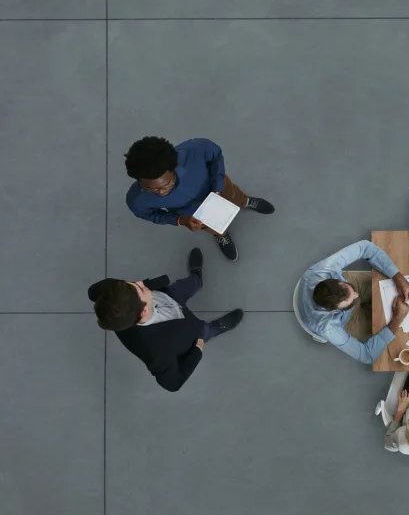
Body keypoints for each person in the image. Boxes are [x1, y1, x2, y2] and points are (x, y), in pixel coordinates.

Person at [87, 248, 243, 392]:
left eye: (133, 285)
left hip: (168, 296)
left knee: (190, 284)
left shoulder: (109, 296)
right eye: (140, 288)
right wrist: (197, 350)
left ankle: (197, 279)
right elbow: (172, 383)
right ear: (144, 311)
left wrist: (138, 289)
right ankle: (217, 327)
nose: (141, 282)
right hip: (189, 330)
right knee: (205, 331)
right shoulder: (157, 354)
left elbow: (93, 291)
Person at [124, 136, 276, 261]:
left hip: (219, 188)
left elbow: (215, 156)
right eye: (150, 189)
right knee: (213, 226)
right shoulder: (137, 200)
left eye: (167, 185)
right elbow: (152, 216)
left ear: (174, 166)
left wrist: (217, 188)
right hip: (194, 213)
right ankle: (220, 234)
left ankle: (246, 202)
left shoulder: (194, 150)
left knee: (236, 197)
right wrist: (181, 220)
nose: (161, 193)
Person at [298, 240, 409, 365]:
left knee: (384, 283)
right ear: (333, 310)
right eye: (350, 299)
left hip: (334, 298)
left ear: (334, 280)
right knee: (384, 328)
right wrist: (397, 318)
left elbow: (366, 247)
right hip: (342, 320)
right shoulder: (328, 328)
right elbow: (367, 355)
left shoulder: (325, 268)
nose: (357, 295)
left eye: (348, 288)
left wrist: (398, 277)